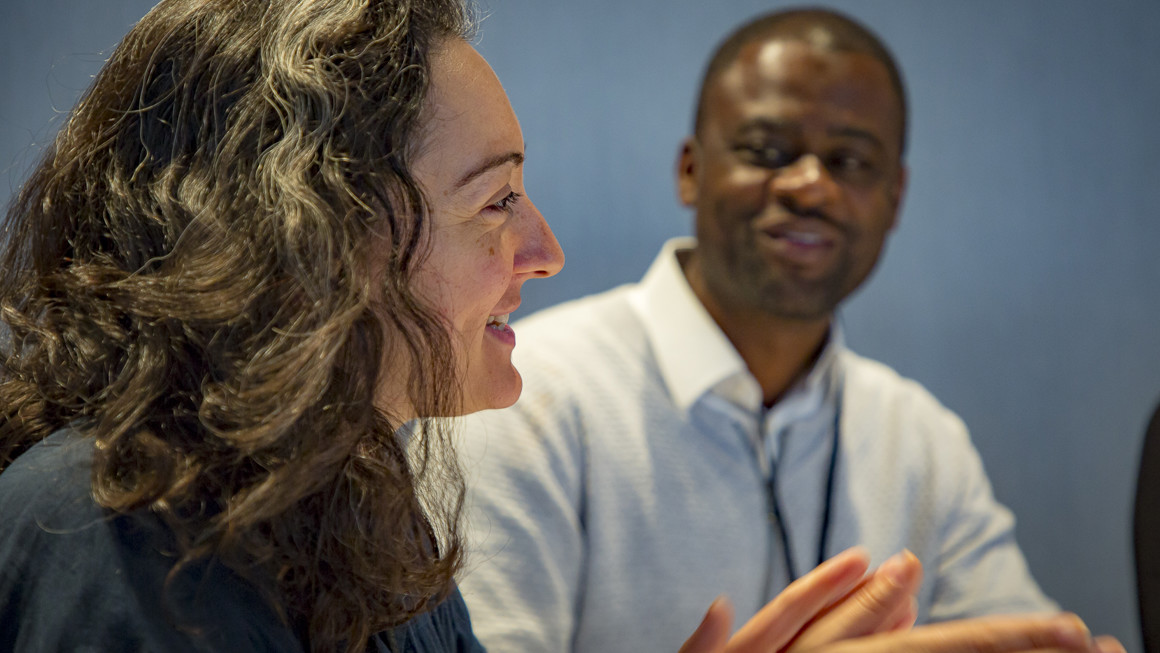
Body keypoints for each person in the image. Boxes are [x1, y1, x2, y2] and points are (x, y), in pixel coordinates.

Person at [0, 0, 1122, 652]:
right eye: (495, 199)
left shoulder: (353, 503)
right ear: (308, 230)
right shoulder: (110, 528)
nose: (546, 248)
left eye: (853, 163)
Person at [457, 7, 1066, 653]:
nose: (810, 185)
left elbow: (1026, 635)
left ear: (895, 198)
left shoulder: (919, 438)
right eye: (767, 150)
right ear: (691, 170)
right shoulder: (521, 401)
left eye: (851, 160)